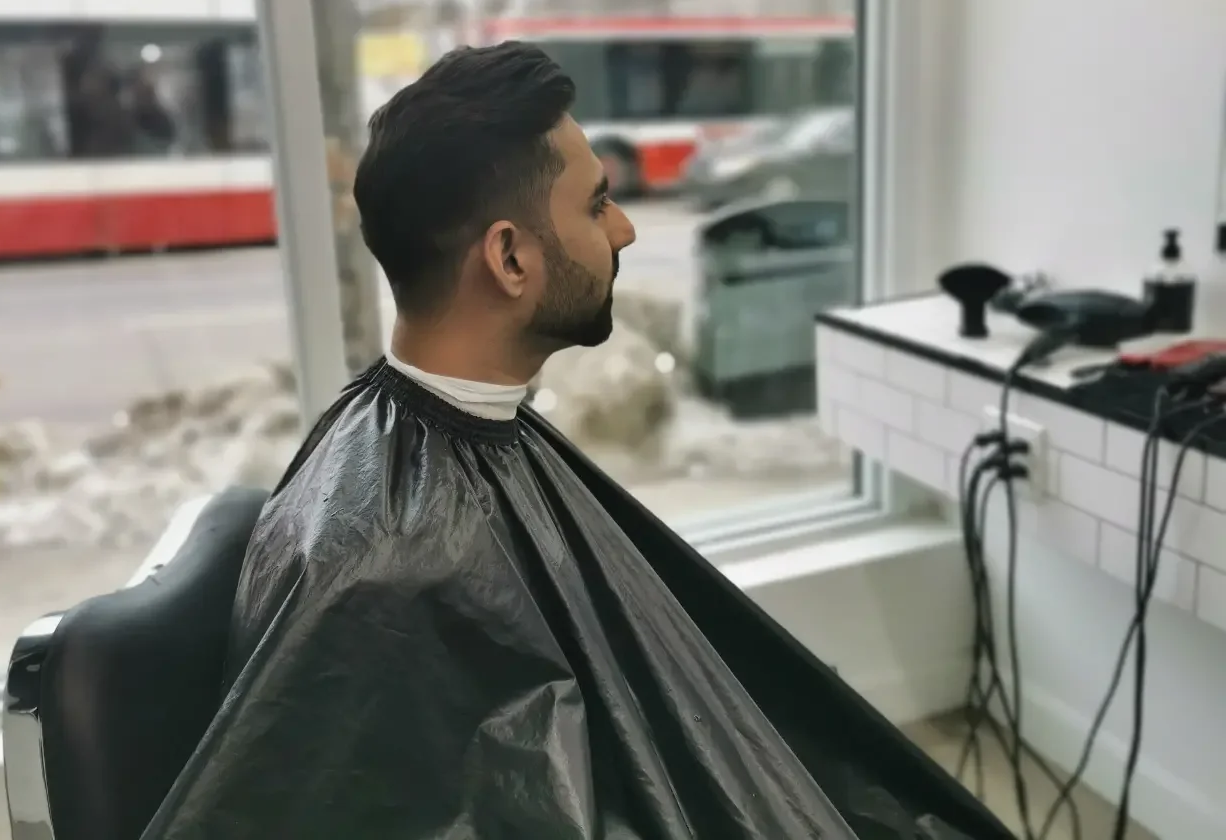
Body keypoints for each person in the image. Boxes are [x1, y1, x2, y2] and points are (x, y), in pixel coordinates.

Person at [144, 43, 1012, 840]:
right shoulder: (393, 565)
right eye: (597, 205)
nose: (625, 229)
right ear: (510, 260)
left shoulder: (420, 442)